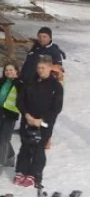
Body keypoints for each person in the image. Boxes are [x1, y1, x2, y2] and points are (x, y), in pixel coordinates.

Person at [15, 55, 64, 187]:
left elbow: (57, 107)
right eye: (38, 67)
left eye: (43, 68)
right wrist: (26, 115)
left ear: (49, 68)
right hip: (28, 119)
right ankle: (21, 171)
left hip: (44, 122)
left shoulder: (56, 86)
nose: (40, 70)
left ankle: (34, 173)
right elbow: (20, 101)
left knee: (38, 147)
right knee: (25, 145)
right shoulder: (29, 82)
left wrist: (42, 119)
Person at [0, 62, 23, 176]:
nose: (8, 72)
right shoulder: (1, 82)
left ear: (16, 71)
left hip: (10, 115)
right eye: (6, 70)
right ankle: (10, 156)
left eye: (11, 70)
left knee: (3, 140)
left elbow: (24, 99)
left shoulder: (20, 84)